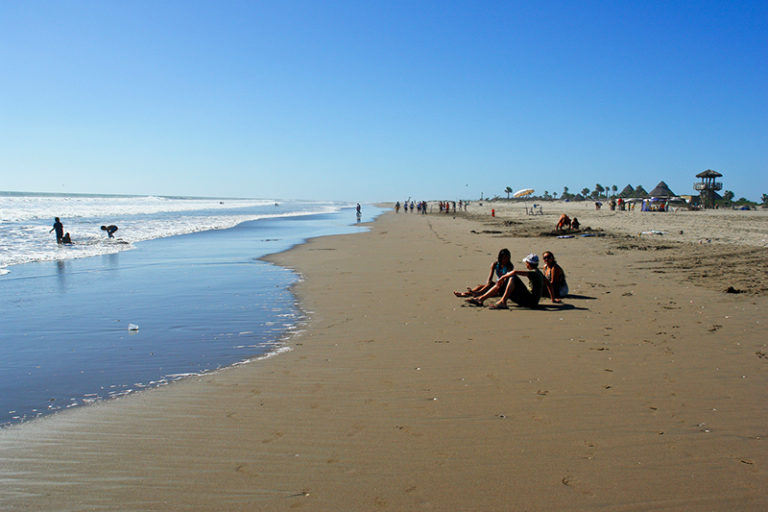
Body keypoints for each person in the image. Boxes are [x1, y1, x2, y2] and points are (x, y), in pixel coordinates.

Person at [467, 253, 559, 309]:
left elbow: (515, 272)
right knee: (504, 283)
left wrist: (502, 277)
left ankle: (502, 302)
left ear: (528, 264)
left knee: (512, 277)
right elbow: (549, 284)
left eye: (526, 263)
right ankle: (481, 299)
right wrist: (553, 299)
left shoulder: (534, 273)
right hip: (531, 300)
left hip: (530, 302)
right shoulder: (539, 273)